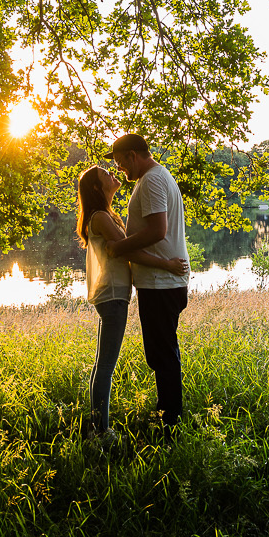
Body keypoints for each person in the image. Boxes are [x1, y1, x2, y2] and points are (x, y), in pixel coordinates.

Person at [75, 163, 187, 438]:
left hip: (112, 295)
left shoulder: (105, 214)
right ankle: (100, 432)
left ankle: (96, 426)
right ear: (96, 187)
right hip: (112, 295)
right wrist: (167, 264)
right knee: (106, 365)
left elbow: (126, 247)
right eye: (106, 174)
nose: (114, 174)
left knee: (103, 362)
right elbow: (128, 251)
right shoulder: (100, 216)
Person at [103, 133, 192, 429]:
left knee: (162, 355)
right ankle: (168, 415)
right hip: (161, 281)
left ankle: (170, 424)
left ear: (132, 155)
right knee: (163, 352)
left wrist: (119, 247)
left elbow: (157, 231)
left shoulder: (153, 180)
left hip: (160, 283)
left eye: (120, 163)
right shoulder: (155, 177)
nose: (120, 170)